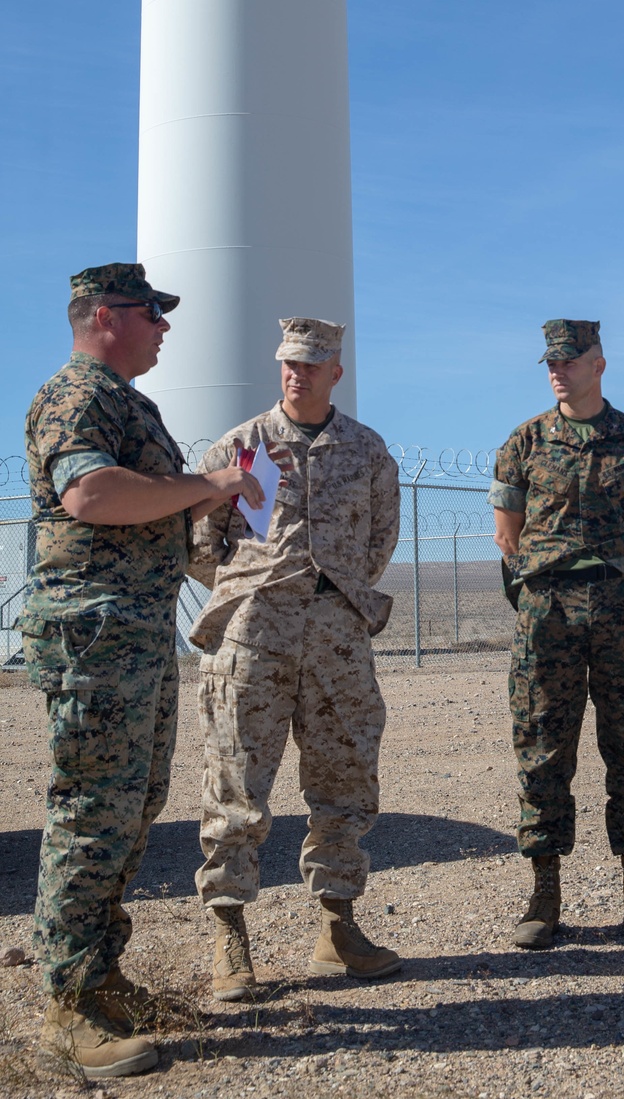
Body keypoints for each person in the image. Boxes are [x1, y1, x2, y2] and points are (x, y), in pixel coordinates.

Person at [21, 264, 263, 1079]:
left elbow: (146, 502)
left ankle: (100, 976)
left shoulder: (129, 401)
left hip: (132, 631)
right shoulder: (77, 394)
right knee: (93, 813)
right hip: (95, 634)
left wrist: (207, 507)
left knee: (130, 808)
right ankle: (68, 1009)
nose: (164, 326)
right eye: (151, 312)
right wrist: (209, 483)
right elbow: (90, 494)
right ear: (102, 316)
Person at [187, 317, 401, 998]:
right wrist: (255, 586)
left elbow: (380, 540)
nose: (295, 374)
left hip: (338, 632)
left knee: (344, 778)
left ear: (335, 371)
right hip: (254, 631)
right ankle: (229, 937)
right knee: (236, 781)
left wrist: (330, 590)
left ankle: (338, 928)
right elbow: (199, 543)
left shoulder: (366, 452)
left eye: (310, 364)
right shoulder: (241, 446)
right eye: (288, 362)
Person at [489, 319, 624, 951]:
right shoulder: (524, 441)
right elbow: (507, 531)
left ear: (598, 364)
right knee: (543, 746)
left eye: (570, 362)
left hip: (623, 610)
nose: (558, 371)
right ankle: (544, 892)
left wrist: (620, 577)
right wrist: (543, 584)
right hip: (547, 613)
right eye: (551, 363)